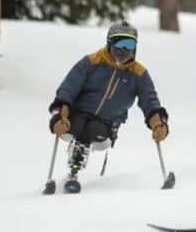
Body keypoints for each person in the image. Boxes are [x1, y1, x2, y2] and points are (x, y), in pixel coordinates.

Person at [48, 21, 169, 193]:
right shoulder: (91, 62)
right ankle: (74, 167)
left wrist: (158, 123)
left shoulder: (138, 73)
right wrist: (60, 115)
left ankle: (78, 160)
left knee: (93, 129)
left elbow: (150, 101)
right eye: (119, 43)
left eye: (130, 44)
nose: (124, 49)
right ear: (109, 43)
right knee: (79, 125)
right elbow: (68, 89)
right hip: (77, 115)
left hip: (106, 124)